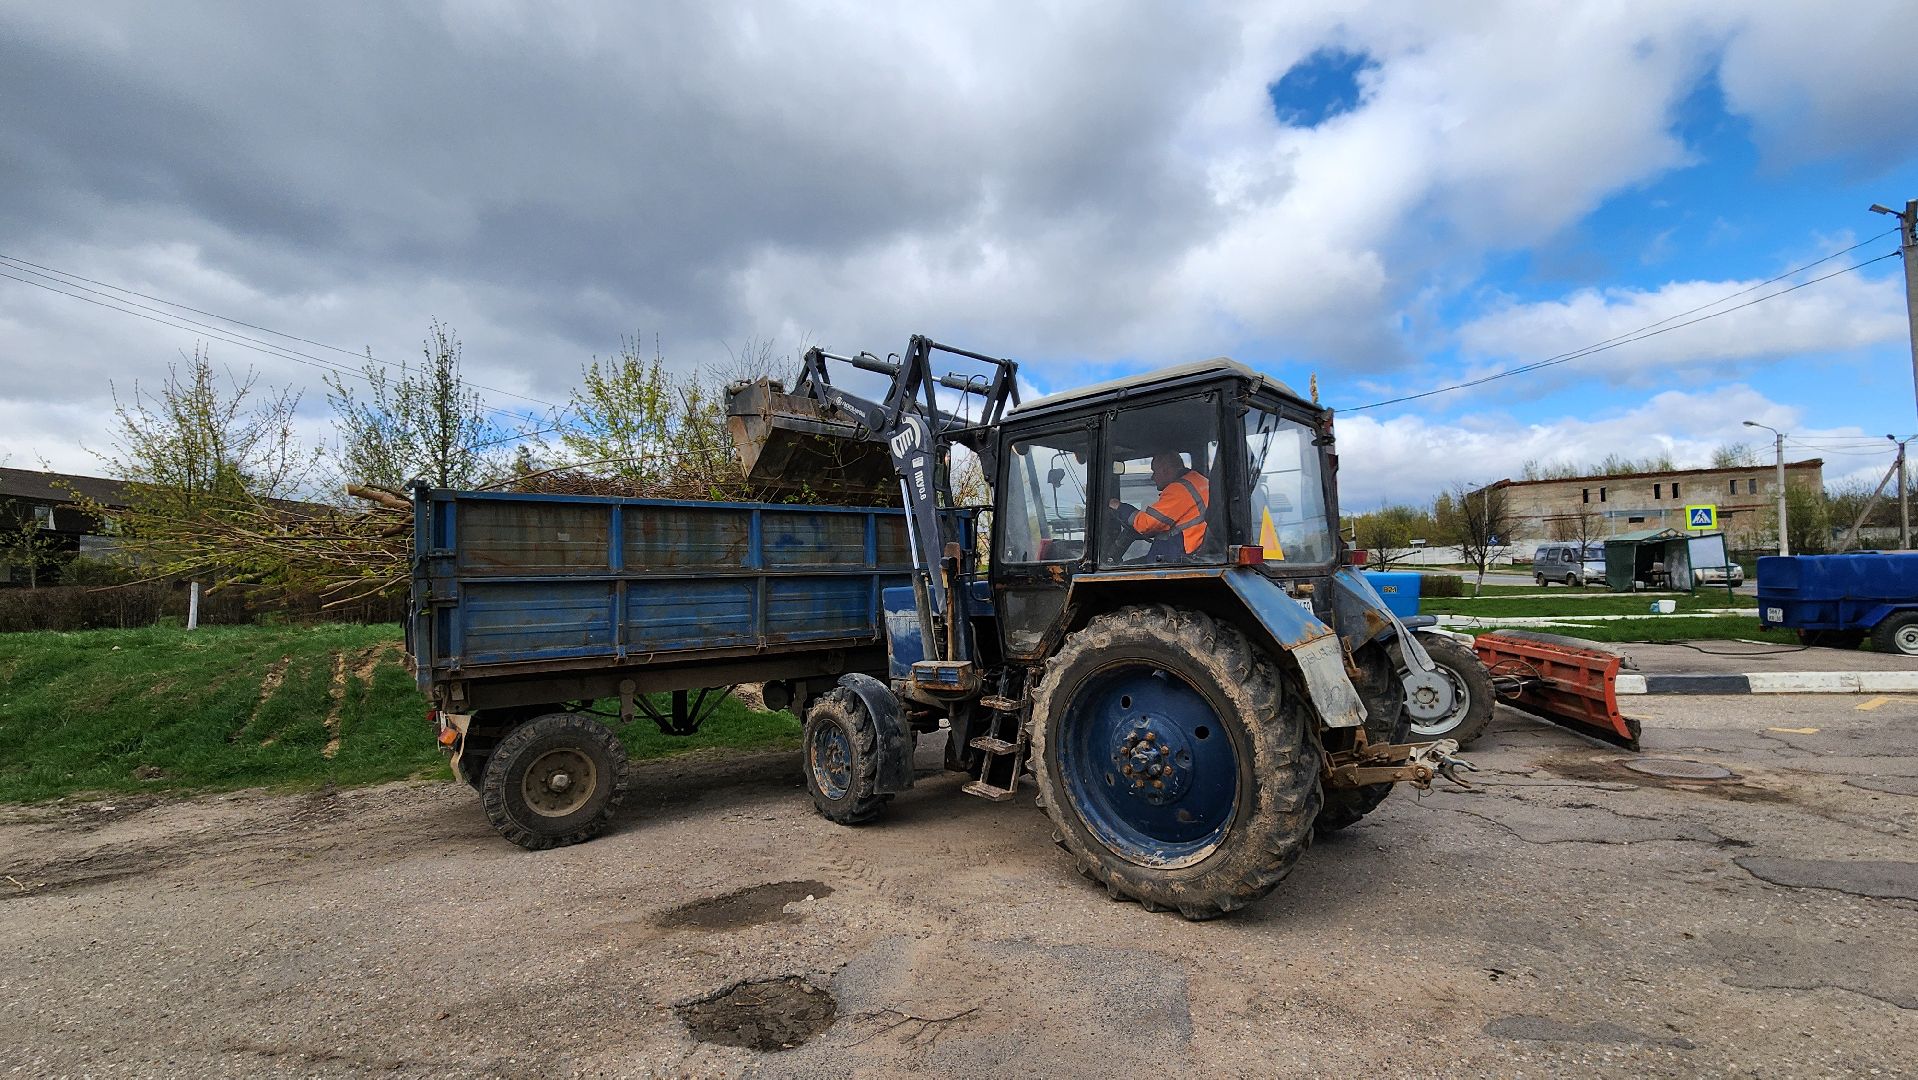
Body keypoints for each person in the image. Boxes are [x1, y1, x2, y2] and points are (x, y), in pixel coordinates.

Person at [1109, 452, 1209, 561]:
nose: (1152, 477)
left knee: (1124, 569)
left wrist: (1119, 507)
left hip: (1179, 561)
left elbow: (1146, 524)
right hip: (1187, 557)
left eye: (1154, 472)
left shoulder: (1179, 490)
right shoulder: (1197, 481)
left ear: (1165, 471)